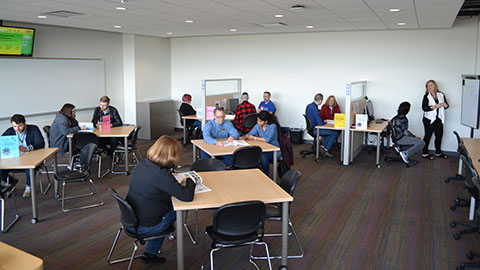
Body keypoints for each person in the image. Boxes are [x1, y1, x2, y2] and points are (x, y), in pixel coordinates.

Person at [126, 135, 195, 265]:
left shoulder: (143, 164)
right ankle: (152, 251)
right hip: (146, 227)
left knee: (171, 202)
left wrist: (170, 177)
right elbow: (187, 196)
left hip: (132, 219)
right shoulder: (161, 176)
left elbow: (156, 181)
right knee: (178, 208)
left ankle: (152, 250)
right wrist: (190, 178)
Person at [0, 114, 45, 197]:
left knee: (29, 166)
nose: (17, 129)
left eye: (20, 126)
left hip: (31, 156)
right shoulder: (10, 131)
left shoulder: (33, 129)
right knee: (1, 168)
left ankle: (29, 186)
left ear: (24, 123)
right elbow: (2, 142)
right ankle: (10, 181)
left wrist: (27, 148)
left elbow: (41, 143)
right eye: (14, 126)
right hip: (15, 158)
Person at [243, 111, 283, 177]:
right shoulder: (258, 125)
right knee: (254, 154)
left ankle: (266, 176)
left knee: (263, 156)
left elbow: (268, 139)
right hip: (263, 148)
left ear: (266, 121)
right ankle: (257, 174)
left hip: (273, 151)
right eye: (257, 120)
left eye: (260, 121)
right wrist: (244, 137)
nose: (258, 122)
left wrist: (254, 138)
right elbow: (250, 133)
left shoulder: (273, 126)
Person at [421, 79, 449, 159]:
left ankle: (438, 152)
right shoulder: (426, 96)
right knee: (427, 136)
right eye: (427, 86)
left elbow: (446, 106)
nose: (429, 87)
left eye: (431, 85)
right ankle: (425, 153)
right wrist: (434, 107)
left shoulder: (441, 94)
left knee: (439, 136)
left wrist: (446, 105)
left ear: (435, 86)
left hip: (438, 119)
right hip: (428, 119)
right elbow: (424, 108)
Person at [305, 93, 338, 157]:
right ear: (320, 100)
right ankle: (325, 150)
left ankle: (322, 147)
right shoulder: (314, 109)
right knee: (335, 133)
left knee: (331, 133)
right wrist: (325, 123)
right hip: (315, 129)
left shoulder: (309, 106)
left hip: (311, 128)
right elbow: (320, 123)